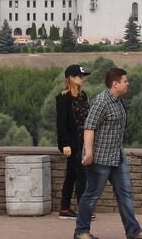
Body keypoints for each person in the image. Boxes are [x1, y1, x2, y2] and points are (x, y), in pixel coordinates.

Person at [74, 67, 142, 239]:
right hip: (100, 158)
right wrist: (88, 152)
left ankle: (134, 232)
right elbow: (89, 127)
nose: (128, 84)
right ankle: (81, 232)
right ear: (115, 83)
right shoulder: (102, 102)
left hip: (117, 157)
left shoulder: (118, 101)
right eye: (125, 81)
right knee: (91, 195)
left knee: (125, 194)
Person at [56, 64, 91, 220]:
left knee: (71, 176)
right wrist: (64, 144)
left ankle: (64, 210)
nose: (82, 78)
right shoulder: (63, 98)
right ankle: (84, 212)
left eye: (83, 76)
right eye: (79, 76)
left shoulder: (83, 96)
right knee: (82, 175)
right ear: (71, 78)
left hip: (83, 142)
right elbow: (61, 123)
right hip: (72, 144)